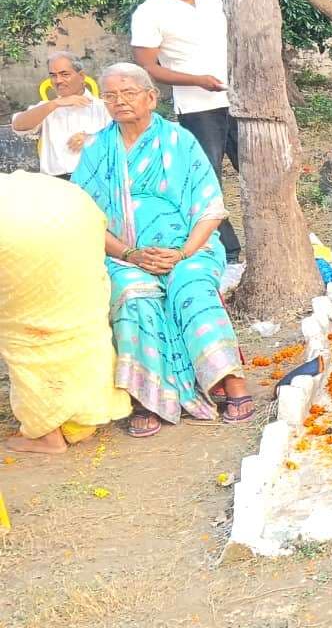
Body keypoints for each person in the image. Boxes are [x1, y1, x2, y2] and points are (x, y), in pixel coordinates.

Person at [71, 63, 252, 437]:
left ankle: (229, 378)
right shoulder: (97, 149)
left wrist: (184, 253)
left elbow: (209, 207)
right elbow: (86, 216)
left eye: (128, 92)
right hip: (123, 255)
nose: (119, 101)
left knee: (191, 287)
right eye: (110, 95)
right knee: (133, 295)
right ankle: (148, 396)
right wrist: (129, 254)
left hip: (189, 250)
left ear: (151, 97)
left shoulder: (179, 141)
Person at [0, 171, 131, 453]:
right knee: (79, 322)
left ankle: (47, 435)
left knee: (30, 331)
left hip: (21, 229)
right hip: (74, 210)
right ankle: (82, 418)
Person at [130, 0, 240, 264]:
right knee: (209, 179)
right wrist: (198, 80)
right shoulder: (150, 13)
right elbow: (148, 67)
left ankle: (270, 236)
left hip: (237, 98)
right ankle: (227, 250)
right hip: (198, 107)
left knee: (256, 166)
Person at [9, 51, 110, 179]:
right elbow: (18, 125)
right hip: (55, 182)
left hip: (96, 180)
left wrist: (91, 139)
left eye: (65, 74)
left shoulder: (102, 107)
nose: (58, 81)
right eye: (53, 76)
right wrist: (55, 103)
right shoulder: (47, 107)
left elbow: (122, 140)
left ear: (82, 76)